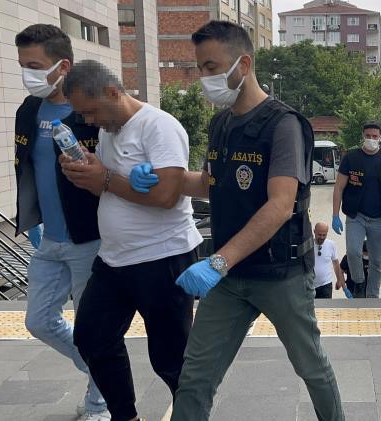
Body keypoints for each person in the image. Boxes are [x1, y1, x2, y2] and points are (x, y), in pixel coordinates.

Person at [129, 21, 342, 420]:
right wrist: (160, 177)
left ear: (243, 64)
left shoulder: (284, 125)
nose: (204, 78)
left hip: (279, 274)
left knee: (310, 366)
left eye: (211, 67)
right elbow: (209, 183)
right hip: (229, 277)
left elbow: (280, 205)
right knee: (195, 376)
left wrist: (218, 261)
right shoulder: (221, 124)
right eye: (200, 69)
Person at [59, 60, 202, 421]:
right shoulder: (110, 131)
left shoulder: (159, 126)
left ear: (112, 91)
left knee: (171, 360)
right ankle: (126, 416)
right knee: (91, 337)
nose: (90, 121)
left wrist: (105, 179)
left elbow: (167, 195)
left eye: (91, 111)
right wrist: (89, 172)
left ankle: (192, 415)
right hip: (114, 260)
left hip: (162, 258)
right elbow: (112, 186)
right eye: (83, 114)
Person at [13, 24, 109, 421]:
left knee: (92, 328)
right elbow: (27, 169)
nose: (27, 73)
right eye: (23, 65)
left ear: (63, 66)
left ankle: (100, 403)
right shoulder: (28, 110)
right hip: (48, 240)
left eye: (35, 66)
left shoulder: (90, 112)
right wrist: (30, 219)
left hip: (89, 239)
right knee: (38, 321)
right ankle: (103, 370)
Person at [332, 122, 381, 298]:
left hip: (380, 217)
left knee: (376, 261)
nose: (371, 139)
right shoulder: (351, 158)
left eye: (375, 136)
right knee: (353, 252)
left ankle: (372, 296)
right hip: (356, 215)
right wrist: (335, 214)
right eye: (368, 136)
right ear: (363, 136)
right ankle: (358, 282)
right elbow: (338, 187)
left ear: (380, 137)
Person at [313, 222, 345, 298]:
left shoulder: (331, 244)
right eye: (319, 235)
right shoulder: (308, 244)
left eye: (324, 235)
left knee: (326, 306)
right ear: (314, 232)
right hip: (310, 285)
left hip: (326, 285)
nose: (322, 237)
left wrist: (339, 280)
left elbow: (336, 263)